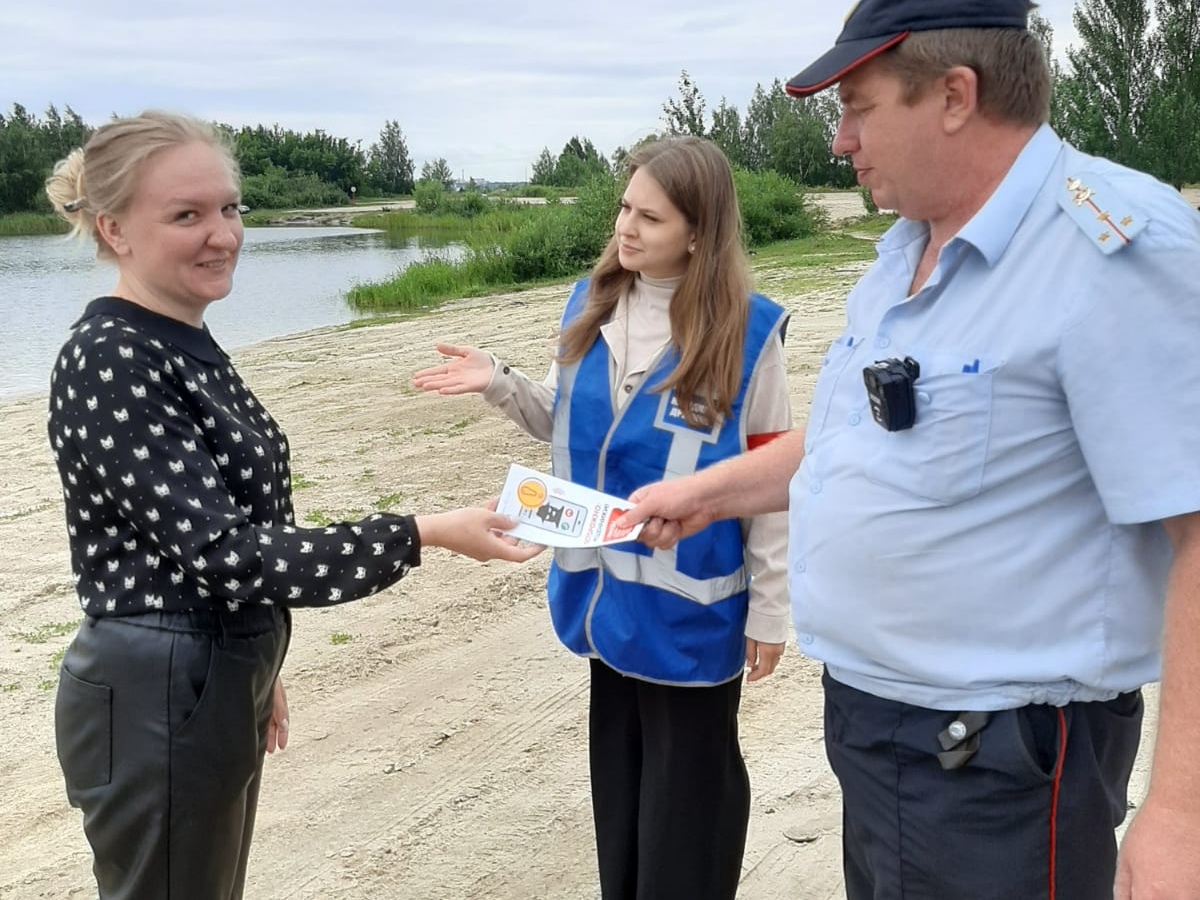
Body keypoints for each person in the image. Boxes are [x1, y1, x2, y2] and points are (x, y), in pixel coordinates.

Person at [615, 3, 1200, 898]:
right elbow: (859, 439)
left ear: (956, 96)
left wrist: (1182, 817)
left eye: (859, 106)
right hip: (878, 736)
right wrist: (708, 494)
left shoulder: (1110, 251)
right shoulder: (906, 251)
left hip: (1003, 770)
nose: (842, 141)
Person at [43, 110, 540, 900]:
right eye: (187, 215)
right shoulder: (112, 354)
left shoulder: (178, 337)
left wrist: (257, 660)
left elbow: (232, 541)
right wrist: (423, 532)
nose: (223, 234)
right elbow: (225, 553)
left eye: (230, 208)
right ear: (114, 229)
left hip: (205, 673)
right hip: (154, 689)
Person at [412, 136, 792, 900]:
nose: (625, 227)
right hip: (603, 610)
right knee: (621, 809)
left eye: (649, 218)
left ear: (698, 231)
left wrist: (772, 610)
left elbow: (773, 478)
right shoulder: (592, 305)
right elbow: (566, 425)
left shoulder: (749, 335)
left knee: (688, 821)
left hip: (690, 620)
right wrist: (498, 382)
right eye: (624, 207)